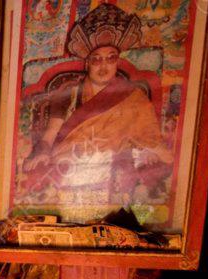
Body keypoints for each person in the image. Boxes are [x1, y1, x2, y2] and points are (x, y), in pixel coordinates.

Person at [21, 3, 171, 205]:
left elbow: (150, 140)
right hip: (72, 163)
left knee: (152, 172)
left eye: (111, 59)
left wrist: (148, 152)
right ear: (87, 63)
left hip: (116, 165)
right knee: (36, 175)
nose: (104, 66)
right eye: (97, 60)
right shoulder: (67, 93)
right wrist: (42, 152)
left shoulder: (134, 97)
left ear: (117, 62)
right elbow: (49, 137)